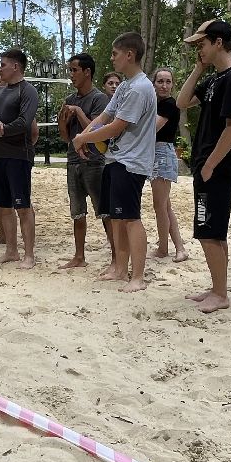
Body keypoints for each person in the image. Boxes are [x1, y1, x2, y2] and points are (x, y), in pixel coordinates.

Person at [176, 19, 231, 313]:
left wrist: (209, 165)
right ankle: (217, 286)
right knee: (214, 231)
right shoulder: (216, 79)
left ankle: (220, 294)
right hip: (208, 166)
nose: (199, 49)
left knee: (208, 230)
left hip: (218, 168)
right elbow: (182, 101)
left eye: (202, 44)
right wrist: (198, 69)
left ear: (218, 42)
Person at [74, 33, 157, 292]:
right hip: (116, 158)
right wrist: (83, 136)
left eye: (114, 53)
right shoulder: (125, 85)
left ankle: (138, 277)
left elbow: (116, 126)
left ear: (129, 54)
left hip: (131, 162)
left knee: (131, 218)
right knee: (117, 219)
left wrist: (83, 138)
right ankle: (120, 269)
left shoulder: (140, 87)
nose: (112, 58)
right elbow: (106, 115)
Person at [57, 52, 113, 270]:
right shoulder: (69, 100)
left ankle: (116, 258)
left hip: (94, 162)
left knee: (104, 211)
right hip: (72, 162)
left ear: (87, 72)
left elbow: (98, 130)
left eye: (74, 70)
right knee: (77, 212)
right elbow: (65, 136)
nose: (71, 75)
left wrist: (79, 112)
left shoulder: (100, 99)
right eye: (70, 70)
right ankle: (79, 256)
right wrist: (64, 120)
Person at [0, 50, 40, 267]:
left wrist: (0, 129)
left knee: (23, 205)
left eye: (2, 64)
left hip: (19, 156)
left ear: (15, 67)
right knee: (3, 206)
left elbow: (24, 123)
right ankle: (12, 250)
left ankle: (29, 255)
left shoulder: (28, 91)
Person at [150, 67, 189, 263]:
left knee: (160, 206)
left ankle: (165, 248)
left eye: (168, 81)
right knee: (165, 206)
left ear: (173, 84)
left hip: (162, 154)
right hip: (155, 154)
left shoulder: (169, 104)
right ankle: (178, 248)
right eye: (160, 81)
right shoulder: (156, 104)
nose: (164, 85)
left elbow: (152, 129)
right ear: (154, 83)